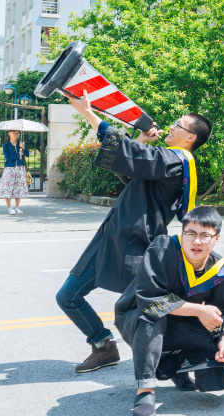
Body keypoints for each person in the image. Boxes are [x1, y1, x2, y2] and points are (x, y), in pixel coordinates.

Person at [56, 90, 211, 373]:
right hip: (112, 237)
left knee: (147, 307)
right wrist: (140, 140)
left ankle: (179, 355)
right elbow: (132, 169)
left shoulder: (177, 162)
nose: (172, 126)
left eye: (179, 124)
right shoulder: (164, 159)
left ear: (190, 137)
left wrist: (88, 113)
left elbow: (135, 157)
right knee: (68, 296)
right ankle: (103, 345)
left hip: (137, 244)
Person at [115, 207, 224, 416]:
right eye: (191, 234)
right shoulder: (163, 250)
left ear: (216, 239)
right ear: (182, 233)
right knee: (151, 318)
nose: (197, 242)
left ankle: (175, 366)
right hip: (137, 319)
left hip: (182, 325)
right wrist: (198, 310)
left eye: (205, 236)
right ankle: (145, 392)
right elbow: (149, 299)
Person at [0, 129, 29, 214]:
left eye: (18, 133)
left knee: (18, 188)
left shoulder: (21, 144)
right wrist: (18, 154)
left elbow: (27, 154)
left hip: (20, 168)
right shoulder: (6, 146)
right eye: (14, 133)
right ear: (9, 133)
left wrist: (23, 147)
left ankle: (17, 207)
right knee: (8, 188)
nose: (16, 135)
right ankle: (9, 208)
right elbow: (8, 158)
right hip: (10, 169)